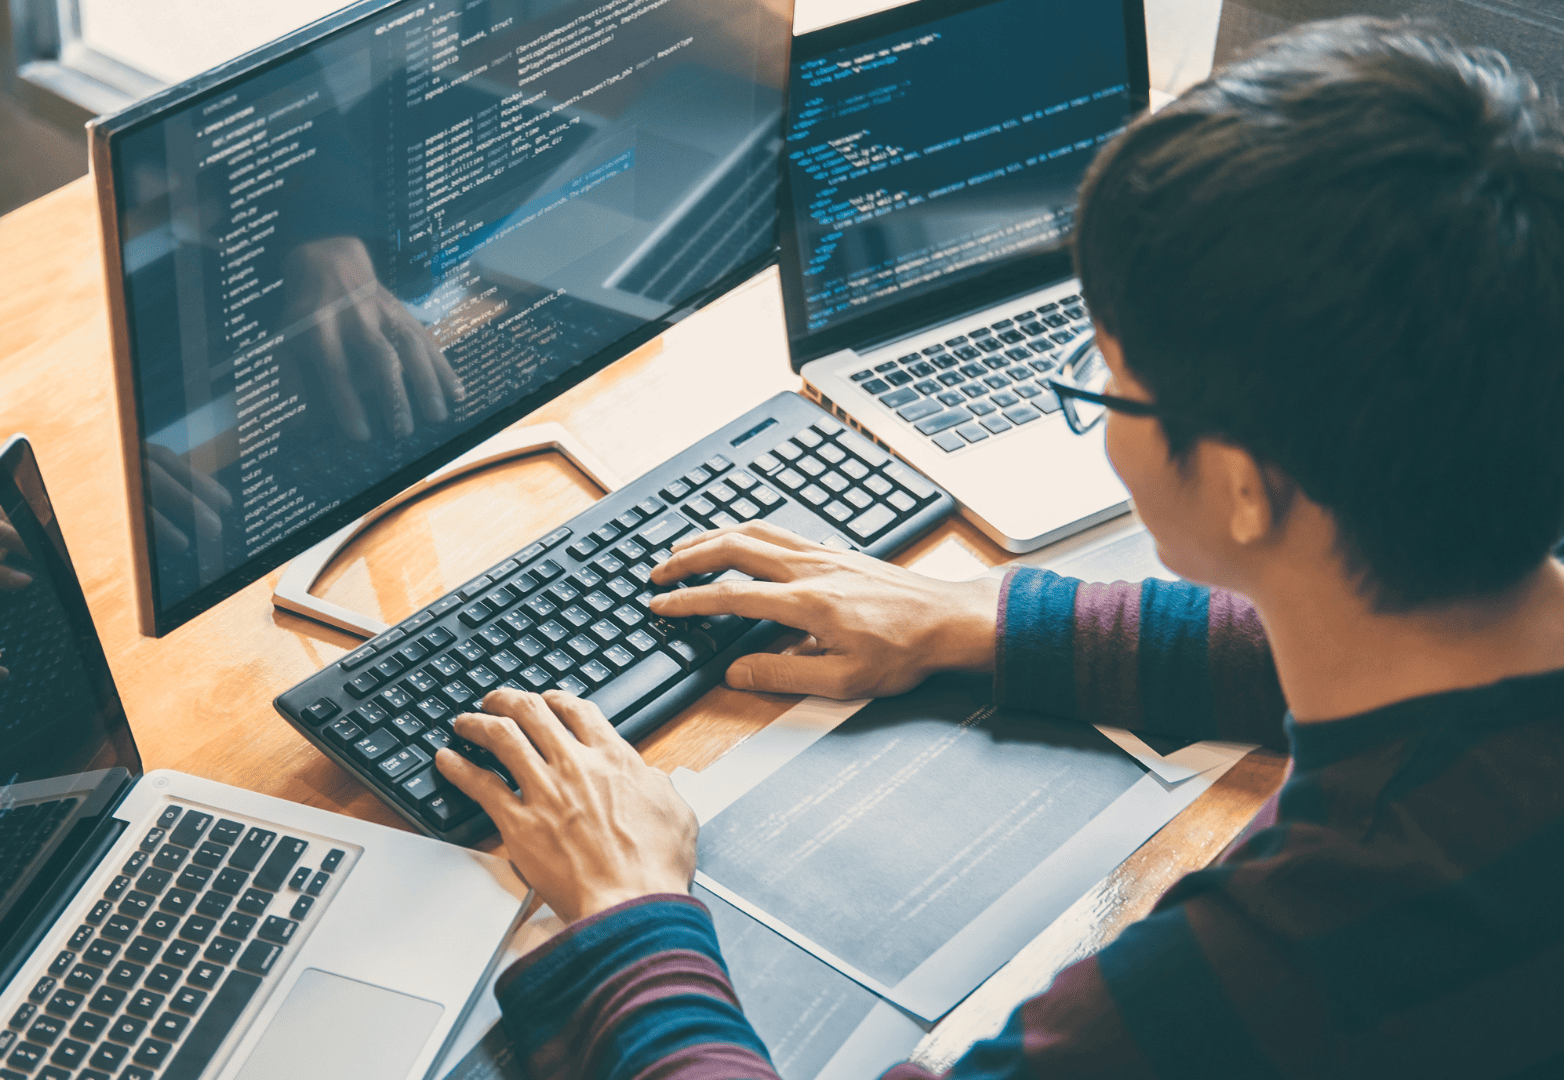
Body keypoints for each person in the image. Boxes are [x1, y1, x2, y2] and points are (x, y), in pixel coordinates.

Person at [431, 17, 1564, 1080]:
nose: (1104, 404)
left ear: (1242, 487)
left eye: (1112, 379)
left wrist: (630, 917)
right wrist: (987, 619)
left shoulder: (1276, 964)